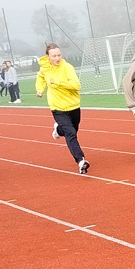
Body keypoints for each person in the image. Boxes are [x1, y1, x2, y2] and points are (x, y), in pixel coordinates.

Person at [36, 43, 90, 173]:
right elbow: (41, 78)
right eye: (54, 56)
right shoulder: (45, 68)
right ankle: (80, 160)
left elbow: (76, 86)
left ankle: (58, 130)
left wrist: (58, 82)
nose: (57, 58)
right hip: (57, 107)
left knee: (73, 130)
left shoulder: (67, 67)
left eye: (59, 55)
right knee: (71, 133)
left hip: (73, 105)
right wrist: (40, 89)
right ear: (48, 57)